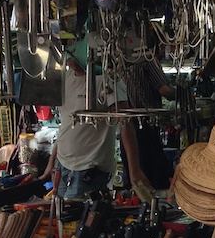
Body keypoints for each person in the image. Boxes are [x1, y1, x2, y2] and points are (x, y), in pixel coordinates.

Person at [40, 37, 126, 199]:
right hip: (62, 166)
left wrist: (134, 172)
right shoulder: (66, 78)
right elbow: (65, 124)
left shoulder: (108, 80)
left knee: (80, 219)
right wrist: (52, 162)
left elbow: (126, 124)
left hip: (89, 170)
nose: (70, 54)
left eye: (75, 46)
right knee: (61, 220)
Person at [119, 53, 176, 200]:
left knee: (135, 184)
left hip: (126, 130)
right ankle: (154, 214)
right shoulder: (147, 59)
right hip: (145, 129)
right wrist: (180, 92)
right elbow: (165, 91)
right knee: (154, 182)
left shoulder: (118, 59)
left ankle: (138, 212)